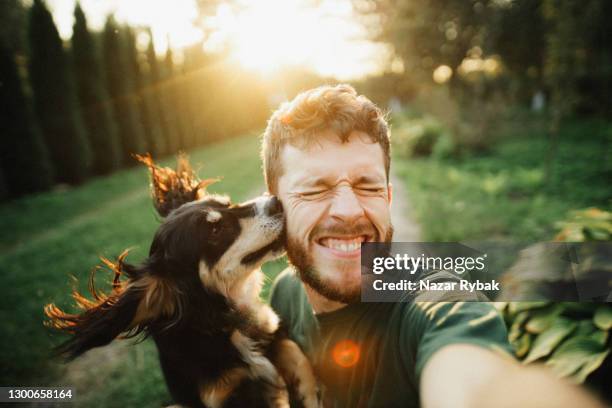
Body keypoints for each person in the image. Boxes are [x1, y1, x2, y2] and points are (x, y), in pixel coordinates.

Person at [261, 84, 604, 407]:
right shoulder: (285, 296)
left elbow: (474, 378)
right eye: (314, 189)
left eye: (368, 186)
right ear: (274, 210)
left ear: (389, 197)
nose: (350, 210)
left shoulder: (434, 305)